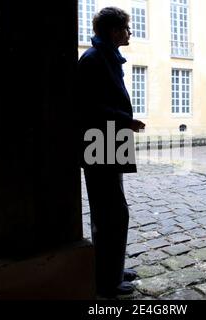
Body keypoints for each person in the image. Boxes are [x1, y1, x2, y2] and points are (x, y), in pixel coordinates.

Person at [77, 7, 146, 297]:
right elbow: (85, 107)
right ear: (114, 30)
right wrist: (124, 120)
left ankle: (112, 270)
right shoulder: (93, 59)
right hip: (100, 142)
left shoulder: (107, 57)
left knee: (113, 211)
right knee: (110, 214)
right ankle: (106, 280)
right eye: (126, 28)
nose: (129, 33)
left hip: (110, 141)